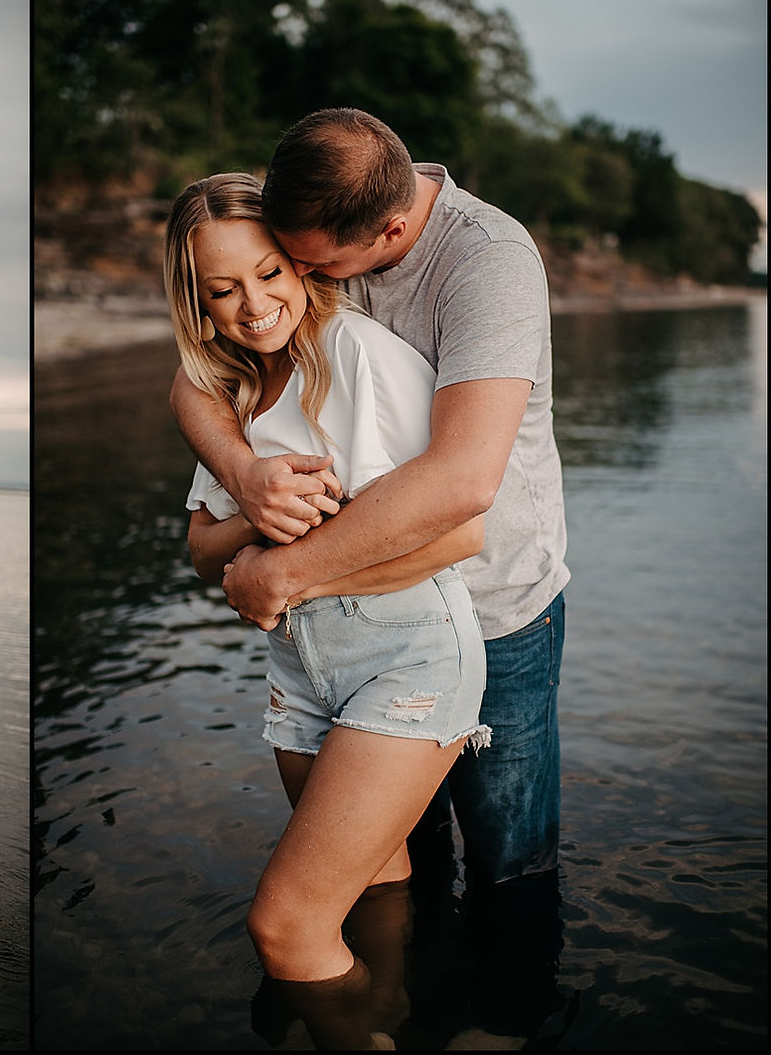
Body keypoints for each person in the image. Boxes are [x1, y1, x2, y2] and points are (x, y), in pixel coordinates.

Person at [170, 109, 569, 1034]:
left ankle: (510, 1019)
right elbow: (202, 361)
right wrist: (242, 476)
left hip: (492, 610)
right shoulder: (302, 258)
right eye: (280, 260)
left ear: (385, 237)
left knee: (508, 862)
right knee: (393, 870)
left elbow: (463, 489)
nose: (292, 286)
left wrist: (283, 572)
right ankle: (406, 1009)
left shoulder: (487, 264)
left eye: (303, 266)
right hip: (326, 654)